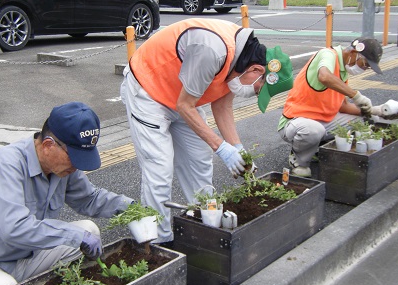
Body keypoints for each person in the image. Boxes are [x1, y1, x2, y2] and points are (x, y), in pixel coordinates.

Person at [0, 102, 134, 285]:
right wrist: (73, 235)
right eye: (74, 157)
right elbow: (14, 228)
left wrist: (131, 208)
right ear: (48, 145)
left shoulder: (63, 168)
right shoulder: (8, 163)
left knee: (89, 231)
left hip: (27, 256)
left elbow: (89, 198)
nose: (77, 165)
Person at [120, 18, 293, 245]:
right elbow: (185, 106)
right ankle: (158, 243)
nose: (252, 93)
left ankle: (204, 226)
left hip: (183, 95)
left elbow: (221, 105)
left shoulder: (241, 62)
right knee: (159, 170)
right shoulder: (213, 50)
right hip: (148, 91)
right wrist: (221, 147)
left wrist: (237, 148)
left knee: (200, 164)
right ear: (257, 69)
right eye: (258, 89)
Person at [278, 38, 398, 178]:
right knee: (313, 130)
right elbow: (324, 76)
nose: (364, 69)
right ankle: (299, 160)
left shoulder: (343, 70)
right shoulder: (328, 55)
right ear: (354, 52)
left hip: (322, 121)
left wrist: (376, 110)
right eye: (365, 64)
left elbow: (343, 107)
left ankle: (316, 148)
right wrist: (356, 95)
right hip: (295, 122)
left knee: (368, 118)